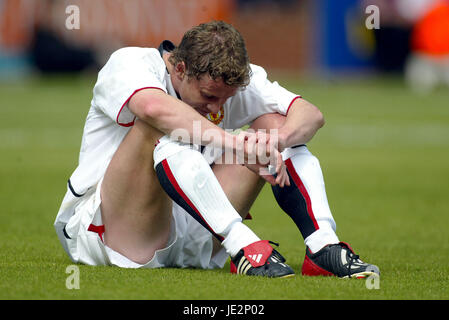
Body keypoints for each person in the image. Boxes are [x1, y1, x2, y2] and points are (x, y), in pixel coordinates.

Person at [54, 21, 379, 279]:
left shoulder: (228, 84)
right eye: (209, 96)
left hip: (196, 235)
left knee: (274, 124)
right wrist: (238, 144)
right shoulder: (130, 63)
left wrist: (273, 142)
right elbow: (153, 108)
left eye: (224, 98)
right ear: (179, 69)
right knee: (162, 125)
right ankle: (243, 245)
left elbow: (311, 115)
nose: (216, 107)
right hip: (113, 233)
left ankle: (322, 245)